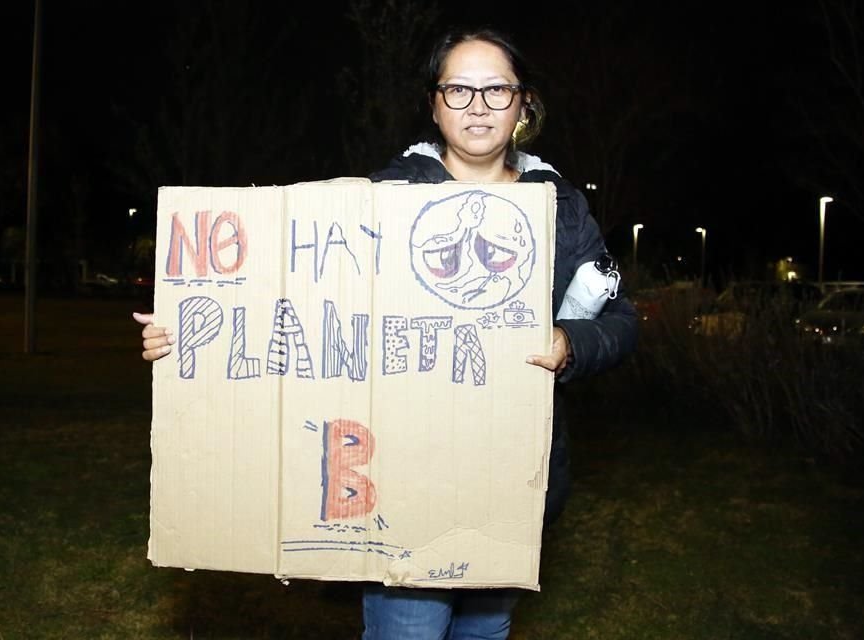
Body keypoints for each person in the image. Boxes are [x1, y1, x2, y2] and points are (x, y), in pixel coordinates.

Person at [135, 26, 637, 640]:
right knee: (410, 630)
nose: (477, 105)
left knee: (485, 631)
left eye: (496, 90)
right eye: (458, 88)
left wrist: (571, 345)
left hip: (509, 482)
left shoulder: (561, 206)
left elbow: (620, 321)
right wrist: (191, 331)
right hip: (404, 481)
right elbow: (294, 302)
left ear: (523, 103)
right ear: (433, 103)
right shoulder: (382, 198)